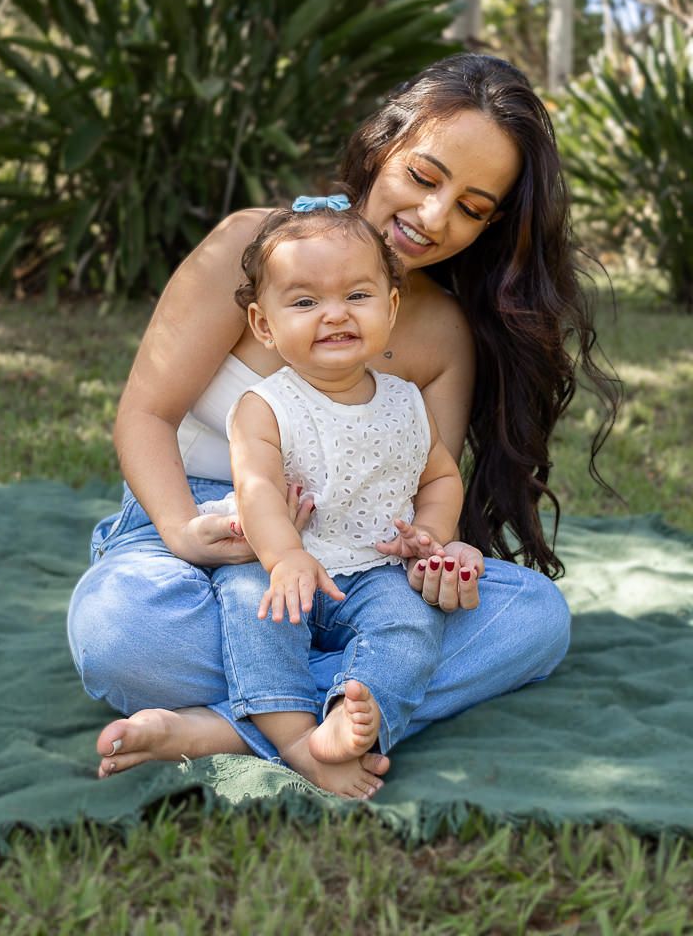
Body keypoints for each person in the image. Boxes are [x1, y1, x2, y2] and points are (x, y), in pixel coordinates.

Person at [67, 52, 618, 787]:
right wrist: (181, 535)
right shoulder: (249, 248)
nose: (433, 218)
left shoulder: (444, 335)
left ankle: (240, 727)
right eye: (424, 177)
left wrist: (437, 552)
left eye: (472, 209)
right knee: (120, 633)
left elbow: (426, 492)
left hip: (362, 565)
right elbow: (145, 414)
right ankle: (350, 701)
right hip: (209, 534)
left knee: (537, 618)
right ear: (382, 146)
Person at [206, 204, 464, 797]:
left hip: (375, 569)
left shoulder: (406, 401)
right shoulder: (265, 404)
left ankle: (357, 703)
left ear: (391, 308)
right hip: (284, 565)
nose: (334, 315)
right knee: (253, 608)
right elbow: (258, 488)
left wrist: (430, 536)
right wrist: (283, 556)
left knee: (412, 620)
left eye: (357, 295)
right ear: (264, 324)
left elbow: (441, 478)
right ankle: (296, 738)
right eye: (304, 303)